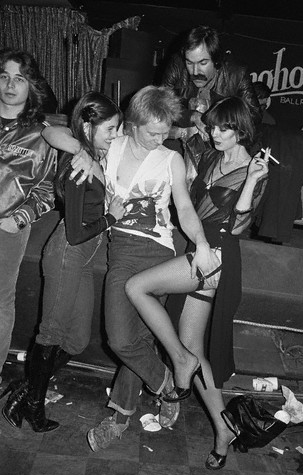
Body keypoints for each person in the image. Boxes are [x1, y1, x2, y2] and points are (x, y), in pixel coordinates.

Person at [44, 85, 217, 450]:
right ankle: (166, 381)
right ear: (134, 124)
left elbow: (184, 208)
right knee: (123, 339)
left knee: (132, 337)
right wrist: (81, 151)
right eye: (153, 131)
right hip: (120, 249)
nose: (162, 137)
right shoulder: (114, 143)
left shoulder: (169, 158)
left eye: (166, 129)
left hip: (156, 251)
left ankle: (119, 418)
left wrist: (200, 243)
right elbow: (49, 130)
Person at [125, 97, 269, 471]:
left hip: (218, 256)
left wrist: (252, 181)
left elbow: (238, 228)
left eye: (225, 128)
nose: (216, 133)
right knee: (194, 346)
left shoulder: (254, 168)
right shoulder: (210, 155)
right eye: (214, 126)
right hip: (199, 249)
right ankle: (223, 429)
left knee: (137, 287)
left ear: (241, 130)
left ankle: (178, 361)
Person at [1, 91, 125, 433]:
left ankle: (25, 390)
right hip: (67, 255)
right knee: (51, 332)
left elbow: (57, 132)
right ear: (88, 126)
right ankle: (34, 409)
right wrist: (111, 218)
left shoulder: (93, 155)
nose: (116, 135)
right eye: (111, 129)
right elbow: (74, 233)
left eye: (118, 128)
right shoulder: (76, 168)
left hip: (83, 261)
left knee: (77, 341)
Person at [0, 49, 57, 385]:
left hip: (7, 228)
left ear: (30, 85)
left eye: (19, 78)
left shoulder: (41, 134)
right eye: (5, 76)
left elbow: (47, 191)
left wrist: (17, 220)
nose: (10, 84)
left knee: (1, 302)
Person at [161, 25, 260, 171]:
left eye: (203, 63)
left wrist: (215, 122)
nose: (195, 71)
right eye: (189, 63)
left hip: (219, 150)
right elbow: (160, 106)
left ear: (217, 61)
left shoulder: (236, 74)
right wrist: (193, 117)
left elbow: (254, 116)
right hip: (178, 146)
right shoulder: (177, 65)